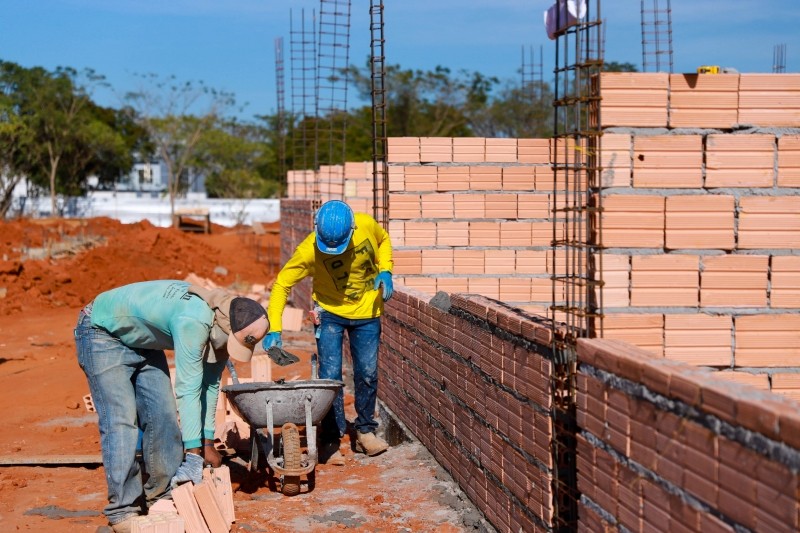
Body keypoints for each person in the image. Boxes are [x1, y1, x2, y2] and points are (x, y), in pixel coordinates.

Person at [74, 280, 268, 533]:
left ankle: (161, 497)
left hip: (143, 341)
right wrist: (193, 455)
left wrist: (208, 442)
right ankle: (122, 511)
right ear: (226, 329)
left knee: (163, 416)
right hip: (102, 332)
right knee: (121, 422)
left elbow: (209, 385)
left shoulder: (224, 320)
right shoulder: (194, 321)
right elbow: (188, 388)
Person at [264, 200, 394, 466]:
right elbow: (281, 285)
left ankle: (366, 431)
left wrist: (386, 269)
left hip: (367, 313)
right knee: (330, 376)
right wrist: (274, 327)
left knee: (367, 372)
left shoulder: (366, 225)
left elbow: (383, 240)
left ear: (353, 229)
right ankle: (331, 438)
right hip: (329, 313)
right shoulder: (308, 250)